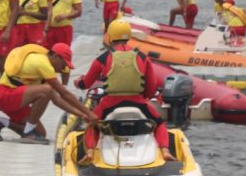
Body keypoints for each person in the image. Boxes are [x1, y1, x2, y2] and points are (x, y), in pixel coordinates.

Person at [74, 19, 175, 163]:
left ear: (110, 37)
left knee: (92, 123)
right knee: (159, 123)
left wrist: (77, 82)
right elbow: (152, 87)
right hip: (138, 102)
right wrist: (144, 97)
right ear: (128, 36)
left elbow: (86, 83)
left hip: (109, 104)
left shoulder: (103, 58)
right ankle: (165, 150)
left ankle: (90, 152)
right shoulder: (142, 57)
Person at [0, 42, 96, 144]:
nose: (62, 69)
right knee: (47, 90)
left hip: (15, 98)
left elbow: (57, 100)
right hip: (5, 94)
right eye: (63, 65)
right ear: (56, 57)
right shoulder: (42, 63)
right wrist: (89, 112)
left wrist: (82, 115)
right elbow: (64, 94)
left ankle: (0, 121)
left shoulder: (47, 62)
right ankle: (28, 133)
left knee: (41, 133)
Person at [45, 0, 82, 84]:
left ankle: (64, 85)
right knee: (48, 55)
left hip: (64, 29)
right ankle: (48, 82)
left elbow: (79, 11)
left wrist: (65, 16)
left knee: (64, 56)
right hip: (50, 28)